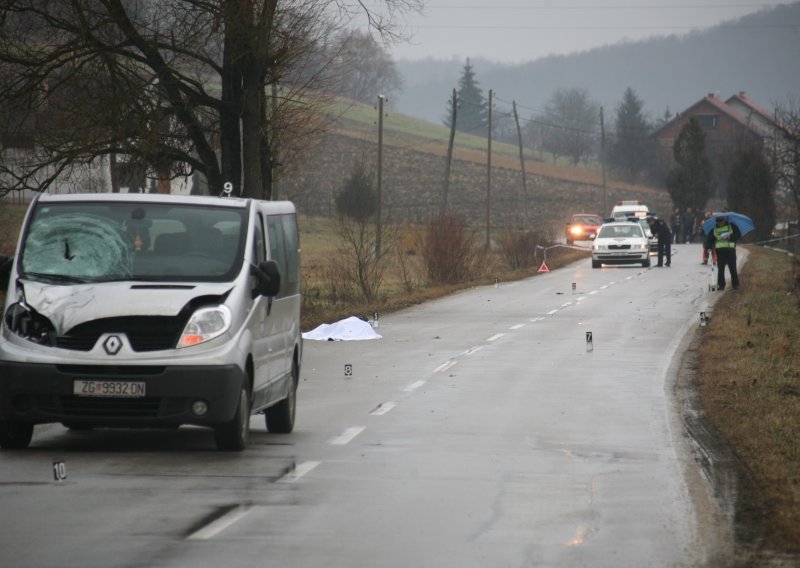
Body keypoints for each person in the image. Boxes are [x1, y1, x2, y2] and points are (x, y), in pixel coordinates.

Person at [706, 215, 741, 290]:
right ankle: (721, 285)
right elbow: (710, 239)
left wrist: (731, 237)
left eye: (721, 222)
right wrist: (709, 247)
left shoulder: (731, 226)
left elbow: (738, 234)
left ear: (724, 221)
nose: (720, 224)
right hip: (720, 251)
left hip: (730, 250)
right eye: (718, 222)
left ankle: (735, 284)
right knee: (721, 269)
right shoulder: (714, 229)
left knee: (733, 268)